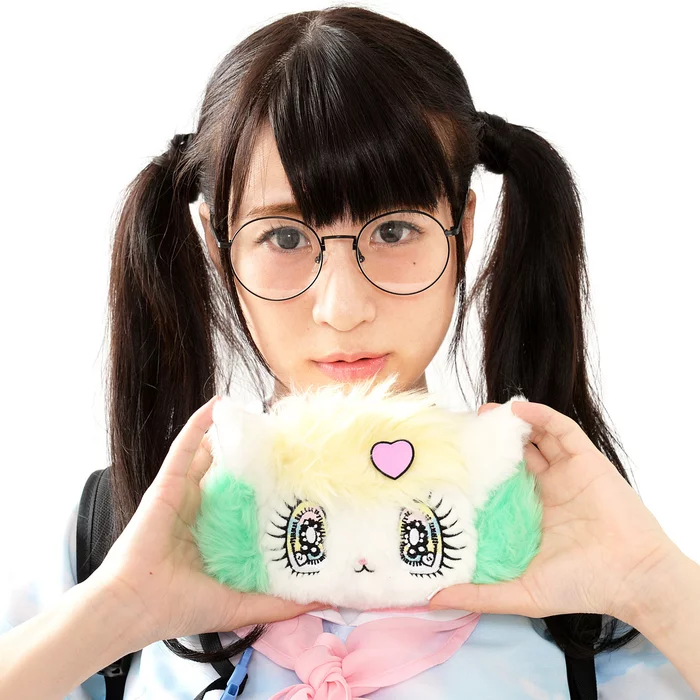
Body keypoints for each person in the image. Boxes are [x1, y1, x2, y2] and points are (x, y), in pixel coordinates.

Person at [1, 5, 699, 699]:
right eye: (283, 238)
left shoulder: (580, 550)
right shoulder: (109, 542)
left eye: (394, 231)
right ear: (218, 246)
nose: (342, 307)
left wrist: (650, 585)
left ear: (463, 229)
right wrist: (118, 612)